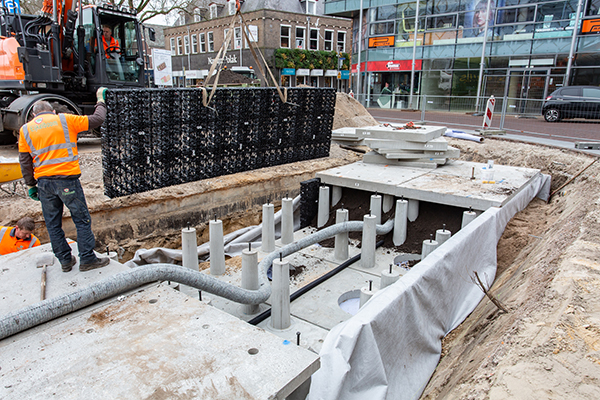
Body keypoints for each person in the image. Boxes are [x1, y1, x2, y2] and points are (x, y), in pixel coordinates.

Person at [18, 88, 110, 272]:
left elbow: (24, 160)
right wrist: (100, 100)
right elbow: (98, 119)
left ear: (34, 115)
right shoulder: (64, 119)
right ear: (53, 111)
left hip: (44, 184)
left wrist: (31, 185)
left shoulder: (26, 129)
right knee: (81, 219)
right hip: (67, 181)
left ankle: (66, 261)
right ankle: (87, 258)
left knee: (53, 224)